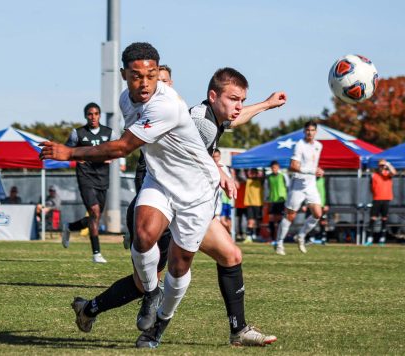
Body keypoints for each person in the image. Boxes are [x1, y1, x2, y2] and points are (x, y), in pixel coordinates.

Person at [57, 65, 286, 348]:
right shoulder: (198, 122)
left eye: (163, 82)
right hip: (169, 199)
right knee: (148, 281)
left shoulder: (210, 115)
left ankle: (237, 330)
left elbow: (233, 120)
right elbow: (193, 158)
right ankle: (97, 309)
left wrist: (267, 104)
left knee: (230, 256)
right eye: (234, 99)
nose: (238, 106)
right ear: (213, 96)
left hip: (191, 200)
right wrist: (221, 170)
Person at [41, 42, 224, 349]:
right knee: (142, 235)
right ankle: (151, 292)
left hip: (197, 190)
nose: (145, 83)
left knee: (179, 266)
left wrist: (69, 152)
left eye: (152, 75)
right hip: (160, 180)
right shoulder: (126, 99)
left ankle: (159, 324)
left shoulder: (164, 105)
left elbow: (123, 147)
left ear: (158, 74)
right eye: (137, 76)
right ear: (124, 74)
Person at [61, 102, 113, 263]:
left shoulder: (109, 133)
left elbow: (119, 149)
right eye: (90, 114)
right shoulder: (77, 133)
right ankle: (96, 253)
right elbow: (66, 152)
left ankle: (69, 227)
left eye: (96, 113)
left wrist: (114, 157)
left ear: (99, 115)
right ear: (85, 116)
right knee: (95, 212)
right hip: (85, 176)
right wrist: (77, 156)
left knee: (95, 217)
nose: (93, 117)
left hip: (102, 177)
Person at [275, 121, 324, 255]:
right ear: (304, 131)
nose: (310, 132)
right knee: (290, 215)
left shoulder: (319, 146)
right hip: (298, 184)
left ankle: (301, 236)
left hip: (311, 185)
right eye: (307, 130)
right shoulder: (299, 145)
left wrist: (317, 171)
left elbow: (313, 164)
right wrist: (312, 171)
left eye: (312, 130)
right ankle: (279, 243)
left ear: (316, 132)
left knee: (318, 214)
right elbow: (293, 166)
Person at [365, 159, 397, 246]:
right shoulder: (374, 175)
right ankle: (369, 238)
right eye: (380, 165)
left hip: (386, 199)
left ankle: (382, 239)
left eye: (383, 166)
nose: (382, 167)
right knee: (373, 218)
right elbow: (371, 187)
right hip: (376, 199)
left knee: (384, 219)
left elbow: (394, 172)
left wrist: (388, 165)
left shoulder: (387, 175)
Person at [264, 160, 289, 243]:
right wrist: (266, 199)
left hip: (282, 200)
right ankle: (272, 238)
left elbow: (288, 186)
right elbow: (267, 188)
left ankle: (280, 238)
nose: (274, 169)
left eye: (275, 167)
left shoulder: (283, 176)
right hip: (272, 200)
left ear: (278, 168)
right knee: (271, 219)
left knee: (280, 219)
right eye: (273, 168)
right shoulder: (269, 177)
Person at [244, 168, 264, 242]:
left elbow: (263, 176)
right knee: (250, 221)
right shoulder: (248, 181)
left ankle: (257, 235)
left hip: (258, 204)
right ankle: (249, 236)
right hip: (249, 204)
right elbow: (243, 174)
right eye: (251, 173)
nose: (252, 174)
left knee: (258, 221)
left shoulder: (260, 181)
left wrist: (262, 170)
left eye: (254, 173)